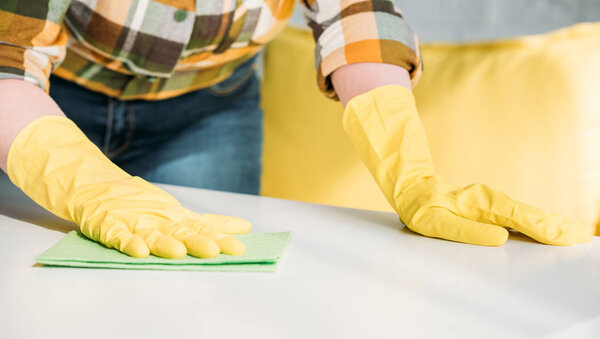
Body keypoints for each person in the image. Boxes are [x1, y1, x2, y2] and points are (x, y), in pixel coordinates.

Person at [0, 1, 590, 260]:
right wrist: (81, 182)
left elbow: (355, 19)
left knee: (208, 285)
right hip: (44, 103)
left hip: (210, 108)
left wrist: (410, 172)